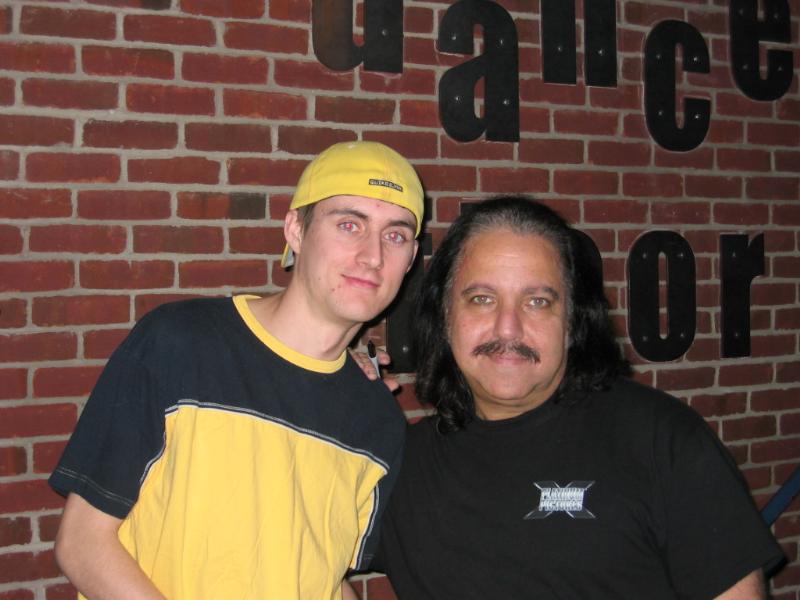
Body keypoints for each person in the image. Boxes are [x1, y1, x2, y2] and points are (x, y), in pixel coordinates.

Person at [48, 141, 425, 600]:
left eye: (395, 236)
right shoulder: (180, 344)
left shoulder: (377, 418)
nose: (373, 256)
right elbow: (83, 544)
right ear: (296, 230)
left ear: (411, 259)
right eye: (350, 225)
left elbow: (320, 572)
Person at [366, 196, 784, 599]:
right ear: (445, 317)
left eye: (537, 302)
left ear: (571, 321)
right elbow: (323, 565)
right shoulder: (399, 466)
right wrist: (332, 379)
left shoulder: (661, 441)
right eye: (482, 299)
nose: (508, 328)